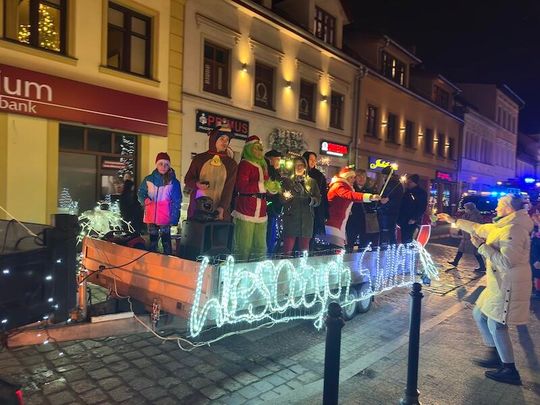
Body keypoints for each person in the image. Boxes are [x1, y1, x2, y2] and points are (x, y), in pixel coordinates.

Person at [438, 194, 533, 385]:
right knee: (479, 313)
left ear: (509, 208)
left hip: (508, 285)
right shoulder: (503, 225)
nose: (496, 208)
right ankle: (495, 352)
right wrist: (453, 220)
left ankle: (509, 369)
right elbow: (478, 228)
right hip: (498, 284)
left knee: (497, 324)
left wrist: (481, 246)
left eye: (499, 205)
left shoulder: (513, 230)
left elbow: (507, 262)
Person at [232, 136, 280, 261]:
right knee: (243, 246)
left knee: (260, 247)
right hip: (246, 209)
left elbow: (264, 186)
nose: (259, 152)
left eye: (260, 149)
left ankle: (257, 269)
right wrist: (263, 185)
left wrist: (272, 188)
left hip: (261, 211)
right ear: (249, 149)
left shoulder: (263, 165)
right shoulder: (245, 165)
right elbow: (241, 186)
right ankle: (240, 269)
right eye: (256, 148)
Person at [184, 125, 238, 221]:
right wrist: (197, 184)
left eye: (227, 139)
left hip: (219, 213)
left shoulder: (231, 164)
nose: (225, 142)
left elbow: (229, 189)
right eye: (222, 138)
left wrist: (222, 208)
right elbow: (188, 180)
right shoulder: (199, 159)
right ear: (214, 139)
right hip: (198, 210)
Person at [324, 167, 382, 248]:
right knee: (336, 249)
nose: (353, 180)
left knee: (338, 248)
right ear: (345, 177)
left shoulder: (345, 186)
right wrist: (370, 197)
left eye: (354, 177)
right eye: (351, 177)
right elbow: (351, 195)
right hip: (335, 224)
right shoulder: (339, 186)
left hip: (339, 223)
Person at [138, 152, 182, 255]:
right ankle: (152, 259)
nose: (163, 166)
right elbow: (141, 193)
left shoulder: (173, 182)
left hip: (165, 218)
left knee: (166, 241)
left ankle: (168, 260)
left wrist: (174, 218)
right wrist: (145, 200)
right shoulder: (148, 180)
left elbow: (177, 201)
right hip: (151, 216)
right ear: (156, 164)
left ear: (169, 166)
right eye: (161, 164)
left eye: (166, 164)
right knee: (152, 242)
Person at [280, 155, 320, 255]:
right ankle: (285, 264)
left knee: (304, 249)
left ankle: (303, 264)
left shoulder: (312, 182)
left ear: (305, 167)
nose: (299, 167)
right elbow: (283, 198)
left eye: (301, 165)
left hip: (307, 219)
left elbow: (318, 199)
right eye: (296, 165)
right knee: (288, 248)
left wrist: (311, 200)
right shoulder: (287, 181)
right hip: (291, 217)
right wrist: (291, 194)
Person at [447, 202, 486, 272]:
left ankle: (482, 266)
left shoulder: (476, 216)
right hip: (465, 236)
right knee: (461, 249)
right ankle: (455, 262)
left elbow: (473, 226)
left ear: (470, 209)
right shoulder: (466, 215)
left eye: (466, 208)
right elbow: (461, 222)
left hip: (472, 237)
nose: (465, 210)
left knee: (476, 252)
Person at [303, 152, 329, 243]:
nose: (313, 162)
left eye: (314, 160)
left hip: (315, 209)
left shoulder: (319, 175)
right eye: (311, 159)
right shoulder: (300, 173)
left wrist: (325, 211)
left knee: (311, 235)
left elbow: (323, 194)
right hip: (301, 209)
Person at [398, 174, 428, 244]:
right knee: (403, 237)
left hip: (411, 219)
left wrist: (414, 218)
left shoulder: (420, 193)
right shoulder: (407, 191)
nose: (407, 183)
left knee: (408, 238)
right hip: (403, 218)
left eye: (409, 182)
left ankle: (408, 249)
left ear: (413, 182)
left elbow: (421, 207)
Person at [377, 166, 404, 246]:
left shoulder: (391, 184)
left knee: (386, 231)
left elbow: (395, 199)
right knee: (390, 231)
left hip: (387, 211)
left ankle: (386, 247)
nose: (383, 177)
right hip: (391, 211)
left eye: (384, 175)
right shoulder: (396, 184)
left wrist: (384, 201)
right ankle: (391, 247)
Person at [265, 150, 283, 255]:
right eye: (277, 159)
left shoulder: (276, 172)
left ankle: (269, 253)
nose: (279, 162)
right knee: (268, 234)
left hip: (274, 208)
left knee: (271, 234)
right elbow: (270, 190)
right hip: (269, 207)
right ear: (270, 159)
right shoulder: (269, 171)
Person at [345, 169, 368, 252]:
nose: (362, 178)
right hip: (352, 219)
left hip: (365, 220)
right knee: (350, 241)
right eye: (359, 176)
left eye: (364, 176)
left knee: (364, 242)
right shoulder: (351, 189)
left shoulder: (369, 190)